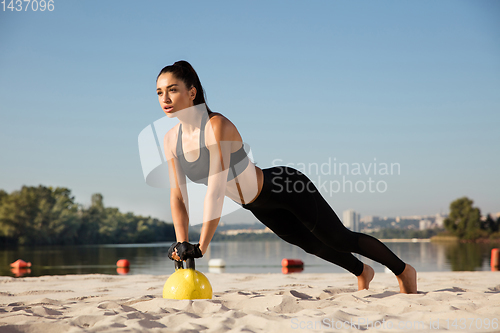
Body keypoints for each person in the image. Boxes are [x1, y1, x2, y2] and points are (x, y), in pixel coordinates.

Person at [157, 60, 417, 294]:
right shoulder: (171, 140)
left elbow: (215, 191)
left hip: (285, 186)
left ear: (192, 92)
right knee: (312, 245)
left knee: (338, 237)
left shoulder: (216, 126)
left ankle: (403, 270)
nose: (165, 98)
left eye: (173, 89)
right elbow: (178, 195)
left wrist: (201, 246)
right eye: (159, 92)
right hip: (256, 204)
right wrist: (181, 244)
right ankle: (362, 271)